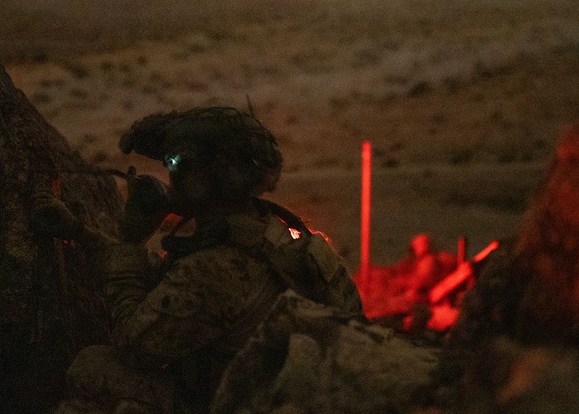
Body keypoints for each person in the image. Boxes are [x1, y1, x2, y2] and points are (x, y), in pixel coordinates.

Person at [34, 106, 363, 414]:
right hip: (281, 394)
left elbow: (133, 344)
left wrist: (131, 239)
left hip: (235, 402)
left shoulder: (215, 267)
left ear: (211, 178)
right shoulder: (269, 233)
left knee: (92, 366)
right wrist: (79, 232)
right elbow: (170, 285)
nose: (169, 175)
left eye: (176, 163)